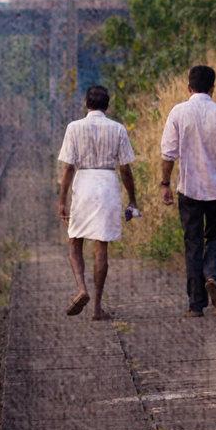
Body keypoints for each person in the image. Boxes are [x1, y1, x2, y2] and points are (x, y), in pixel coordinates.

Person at [158, 64, 216, 318]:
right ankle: (212, 273)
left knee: (193, 242)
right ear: (213, 88)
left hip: (189, 188)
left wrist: (165, 183)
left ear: (189, 87)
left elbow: (168, 154)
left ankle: (196, 305)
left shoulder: (178, 112)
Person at [56, 85, 139, 321]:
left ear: (86, 103)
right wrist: (132, 199)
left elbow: (68, 167)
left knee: (75, 240)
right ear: (107, 105)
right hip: (107, 184)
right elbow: (125, 169)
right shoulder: (118, 129)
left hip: (84, 184)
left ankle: (81, 288)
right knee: (101, 246)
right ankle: (97, 308)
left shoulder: (74, 128)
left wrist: (62, 199)